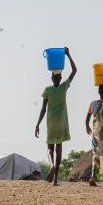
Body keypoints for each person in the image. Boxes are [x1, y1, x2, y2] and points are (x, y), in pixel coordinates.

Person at [35, 47, 77, 186]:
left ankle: (51, 164)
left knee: (49, 147)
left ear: (52, 77)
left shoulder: (47, 90)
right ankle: (55, 180)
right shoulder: (64, 86)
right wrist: (68, 55)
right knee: (59, 148)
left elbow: (43, 109)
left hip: (51, 121)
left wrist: (37, 124)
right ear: (60, 77)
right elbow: (74, 71)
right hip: (61, 122)